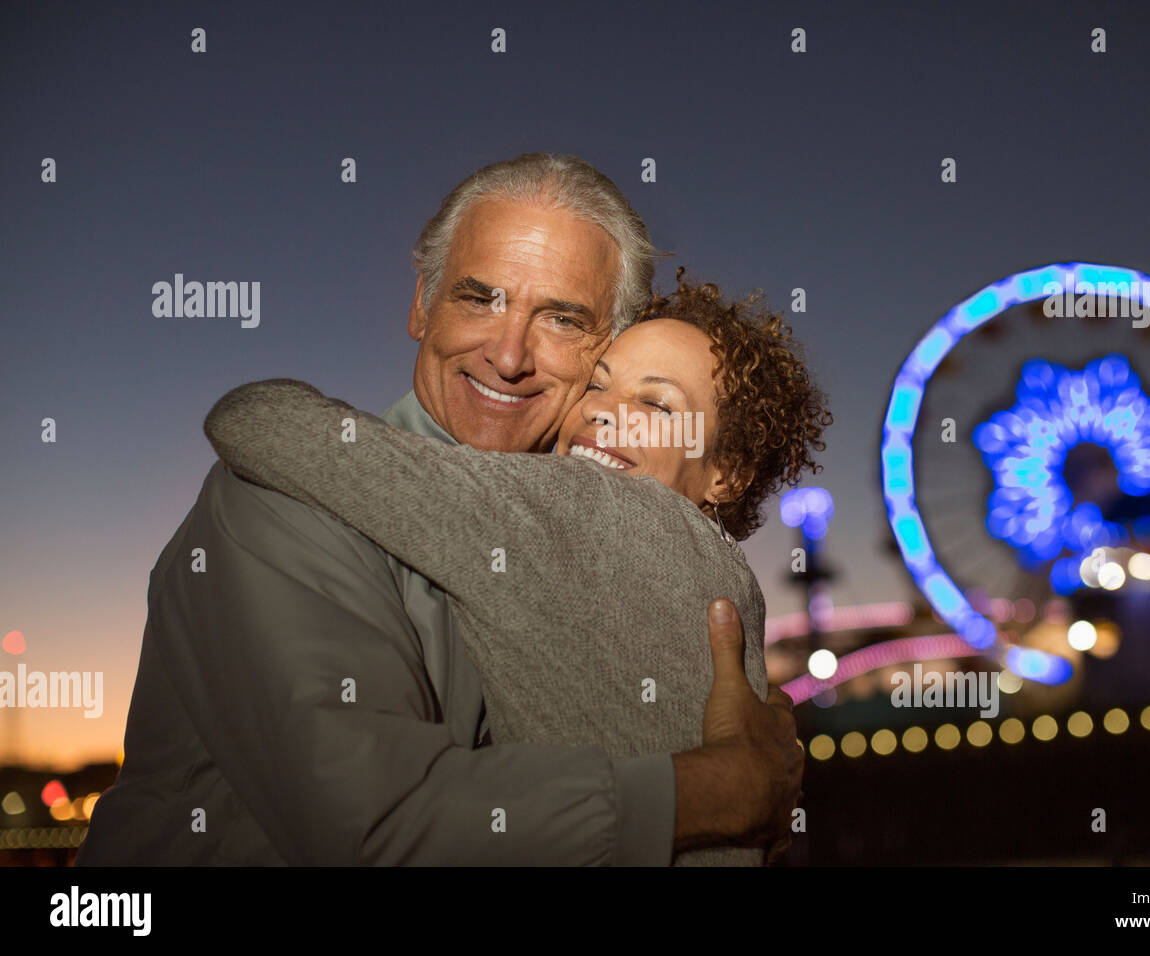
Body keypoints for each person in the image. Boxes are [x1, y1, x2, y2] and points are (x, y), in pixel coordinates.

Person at [77, 153, 804, 866]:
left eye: (560, 317)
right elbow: (380, 827)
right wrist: (720, 793)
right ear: (421, 304)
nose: (509, 353)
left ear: (601, 341)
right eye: (478, 297)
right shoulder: (278, 502)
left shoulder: (600, 528)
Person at [203, 272, 832, 865]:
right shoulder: (733, 583)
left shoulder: (584, 511)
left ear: (728, 473)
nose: (601, 411)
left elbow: (254, 420)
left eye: (659, 406)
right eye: (597, 383)